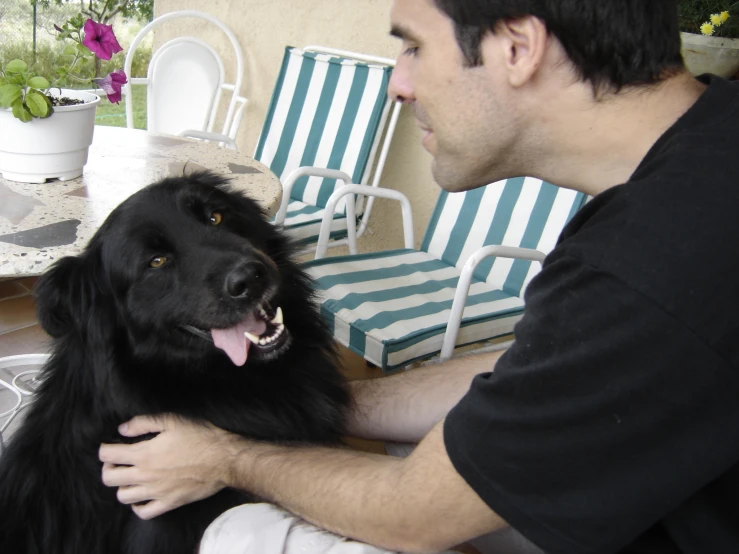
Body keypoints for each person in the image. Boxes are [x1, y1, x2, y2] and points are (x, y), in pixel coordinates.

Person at [99, 0, 739, 552]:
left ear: (517, 47)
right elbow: (549, 370)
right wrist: (327, 404)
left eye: (412, 46)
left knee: (242, 535)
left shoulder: (649, 265)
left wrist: (222, 455)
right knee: (426, 443)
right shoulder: (703, 157)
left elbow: (416, 513)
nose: (397, 84)